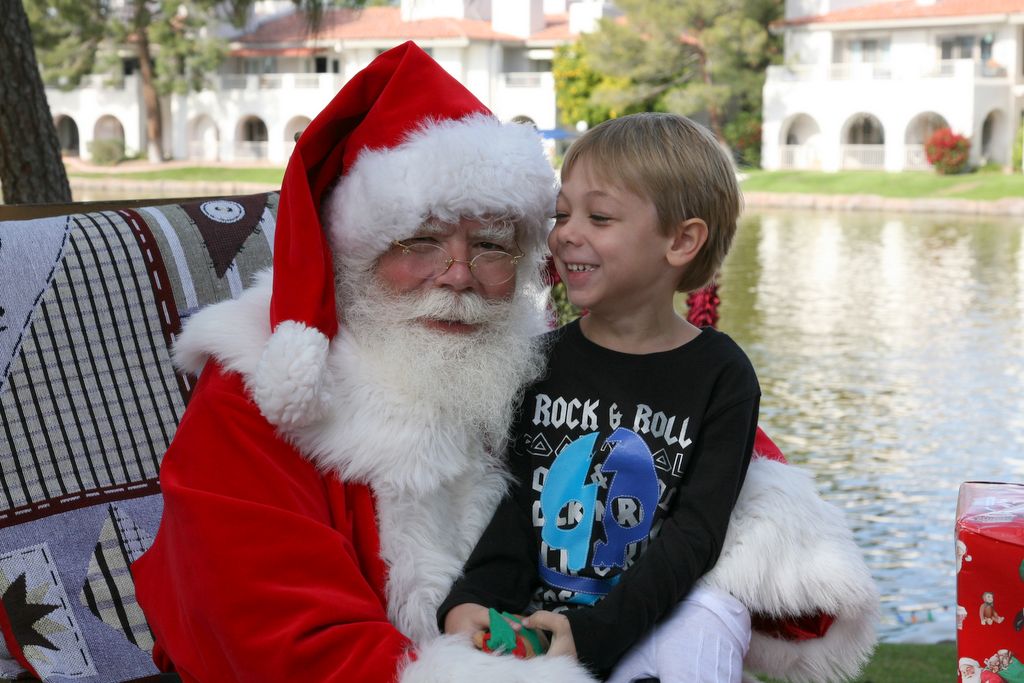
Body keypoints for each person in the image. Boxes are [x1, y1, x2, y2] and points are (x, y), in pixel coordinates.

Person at [132, 42, 596, 682]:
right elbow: (279, 640)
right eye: (420, 241)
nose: (458, 275)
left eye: (490, 246)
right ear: (353, 253)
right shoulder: (258, 392)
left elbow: (681, 436)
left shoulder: (521, 358)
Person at [440, 113, 758, 682]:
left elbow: (695, 535)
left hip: (658, 621)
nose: (564, 233)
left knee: (712, 620)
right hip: (546, 625)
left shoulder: (720, 374)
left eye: (600, 216)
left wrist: (596, 636)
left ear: (681, 240)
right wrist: (472, 597)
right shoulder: (539, 362)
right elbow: (517, 507)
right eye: (562, 214)